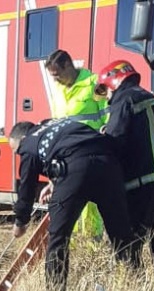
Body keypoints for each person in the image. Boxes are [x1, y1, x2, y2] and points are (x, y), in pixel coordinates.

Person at [9, 117, 136, 291]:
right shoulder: (55, 123)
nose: (20, 154)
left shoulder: (29, 143)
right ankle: (135, 286)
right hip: (107, 163)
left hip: (75, 172)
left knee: (58, 238)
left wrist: (21, 221)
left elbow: (27, 186)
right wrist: (54, 182)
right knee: (121, 234)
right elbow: (68, 147)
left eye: (17, 151)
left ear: (22, 139)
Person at [97, 60, 154, 270]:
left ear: (113, 82)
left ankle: (134, 285)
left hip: (142, 183)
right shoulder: (153, 99)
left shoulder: (123, 100)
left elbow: (115, 142)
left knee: (130, 245)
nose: (107, 98)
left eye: (106, 91)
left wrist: (102, 139)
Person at [45, 49, 109, 239]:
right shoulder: (58, 90)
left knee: (90, 204)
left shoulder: (95, 83)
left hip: (91, 153)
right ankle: (70, 246)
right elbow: (56, 123)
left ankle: (92, 245)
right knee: (68, 201)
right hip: (66, 156)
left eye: (57, 74)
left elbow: (108, 115)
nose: (55, 80)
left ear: (68, 66)